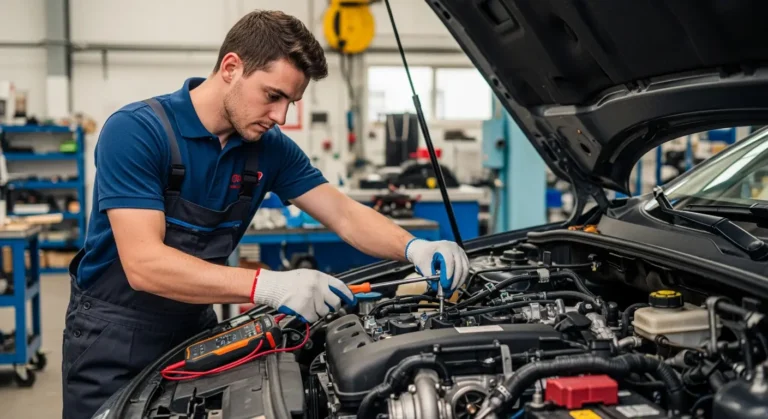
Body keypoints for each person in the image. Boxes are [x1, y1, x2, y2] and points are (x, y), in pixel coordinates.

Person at [61, 9, 469, 419]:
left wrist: (413, 246)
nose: (281, 117)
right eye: (273, 96)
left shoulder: (268, 148)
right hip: (113, 337)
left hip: (192, 330)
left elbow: (343, 213)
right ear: (231, 67)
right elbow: (144, 265)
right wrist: (268, 285)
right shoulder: (137, 131)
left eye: (290, 102)